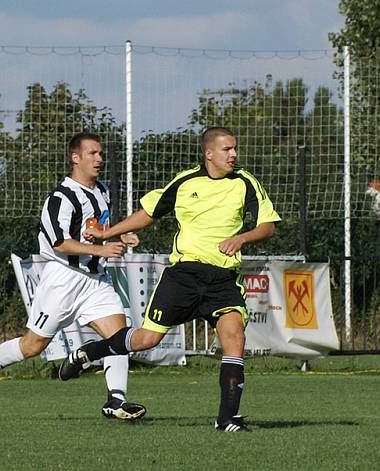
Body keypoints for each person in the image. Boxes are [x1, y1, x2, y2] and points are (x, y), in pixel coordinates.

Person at [59, 127, 281, 432]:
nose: (234, 155)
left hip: (223, 280)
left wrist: (241, 238)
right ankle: (91, 352)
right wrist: (105, 234)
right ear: (209, 153)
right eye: (227, 149)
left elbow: (268, 226)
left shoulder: (245, 182)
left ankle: (227, 418)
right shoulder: (185, 181)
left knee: (235, 337)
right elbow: (148, 214)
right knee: (146, 340)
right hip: (184, 276)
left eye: (235, 149)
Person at [0, 132, 146, 420]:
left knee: (120, 337)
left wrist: (123, 234)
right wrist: (101, 250)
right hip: (63, 279)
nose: (99, 159)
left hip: (95, 280)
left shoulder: (102, 191)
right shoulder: (62, 198)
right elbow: (60, 243)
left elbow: (96, 229)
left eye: (100, 154)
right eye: (92, 154)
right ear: (76, 158)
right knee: (33, 346)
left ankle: (116, 400)